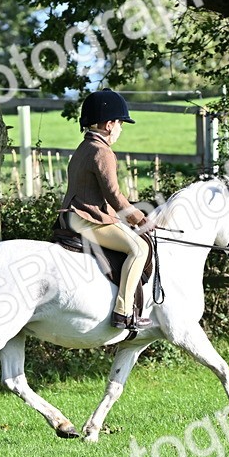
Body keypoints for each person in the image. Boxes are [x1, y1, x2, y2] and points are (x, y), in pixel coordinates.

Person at [60, 89, 152, 331]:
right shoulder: (102, 152)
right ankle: (123, 311)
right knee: (140, 248)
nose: (121, 129)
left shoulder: (84, 146)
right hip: (87, 218)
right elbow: (113, 195)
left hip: (72, 216)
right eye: (121, 123)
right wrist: (140, 219)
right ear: (109, 124)